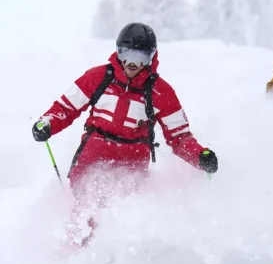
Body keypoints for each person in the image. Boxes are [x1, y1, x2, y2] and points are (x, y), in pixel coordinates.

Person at [32, 22, 218, 246]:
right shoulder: (99, 77)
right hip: (92, 156)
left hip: (132, 163)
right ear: (118, 52)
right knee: (86, 208)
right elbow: (66, 108)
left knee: (121, 213)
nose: (132, 63)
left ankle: (118, 263)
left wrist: (200, 156)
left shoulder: (160, 91)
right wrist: (47, 124)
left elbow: (179, 137)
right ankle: (74, 257)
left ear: (151, 58)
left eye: (140, 57)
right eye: (126, 54)